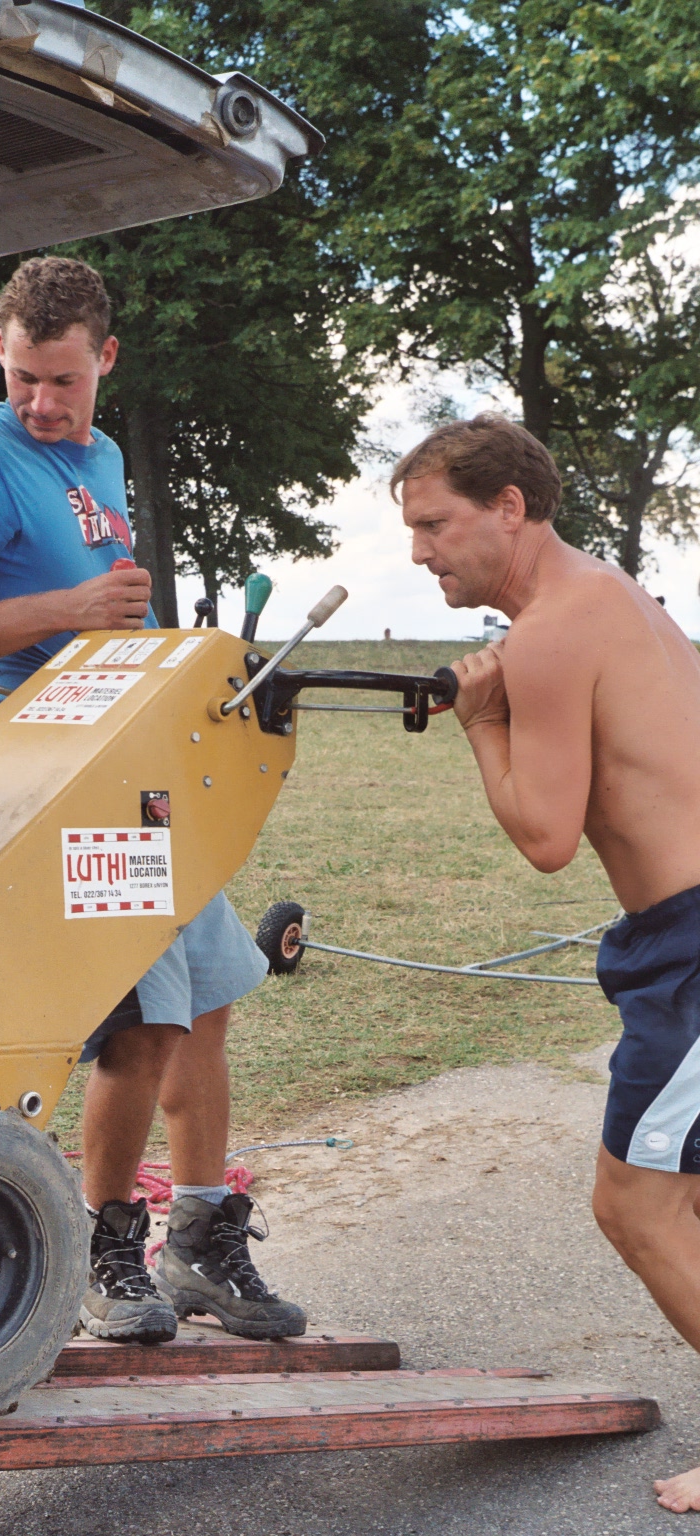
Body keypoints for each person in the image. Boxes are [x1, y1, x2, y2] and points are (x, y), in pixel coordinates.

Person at [0, 255, 305, 1346]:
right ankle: (102, 1248)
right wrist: (71, 607)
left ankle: (199, 1241)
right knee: (140, 1023)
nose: (40, 402)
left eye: (62, 381)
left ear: (105, 359)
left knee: (206, 1000)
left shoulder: (105, 456)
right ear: (1, 354)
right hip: (58, 779)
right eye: (22, 377)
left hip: (141, 767)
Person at [393, 412, 700, 1514]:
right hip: (677, 936)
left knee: (638, 1208)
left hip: (693, 947)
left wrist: (483, 722)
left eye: (435, 525)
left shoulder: (549, 634)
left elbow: (545, 838)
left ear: (509, 508)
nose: (418, 552)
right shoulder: (613, 593)